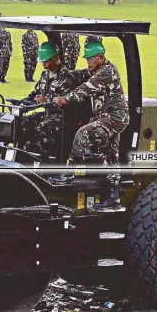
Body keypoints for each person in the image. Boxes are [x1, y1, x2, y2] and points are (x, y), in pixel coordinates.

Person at [49, 39, 130, 211]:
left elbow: (85, 89)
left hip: (114, 117)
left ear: (100, 58)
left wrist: (65, 99)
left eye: (90, 59)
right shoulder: (97, 69)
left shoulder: (107, 72)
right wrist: (64, 74)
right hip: (111, 118)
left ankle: (70, 173)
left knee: (82, 133)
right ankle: (114, 200)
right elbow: (80, 75)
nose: (87, 61)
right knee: (111, 157)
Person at [16, 41, 77, 160]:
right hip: (48, 114)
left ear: (55, 58)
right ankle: (21, 157)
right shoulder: (45, 74)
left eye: (46, 61)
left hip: (62, 117)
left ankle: (43, 162)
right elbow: (36, 93)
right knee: (22, 123)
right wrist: (21, 103)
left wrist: (46, 100)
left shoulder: (67, 77)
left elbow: (67, 103)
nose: (44, 64)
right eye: (42, 61)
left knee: (42, 128)